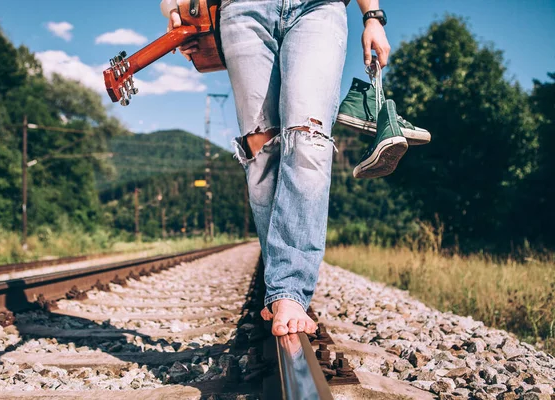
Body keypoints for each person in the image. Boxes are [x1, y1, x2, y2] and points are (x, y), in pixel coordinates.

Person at [161, 0, 391, 336]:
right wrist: (176, 8)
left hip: (319, 7)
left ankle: (289, 290)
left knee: (308, 139)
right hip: (241, 9)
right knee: (261, 151)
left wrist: (372, 16)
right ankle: (284, 285)